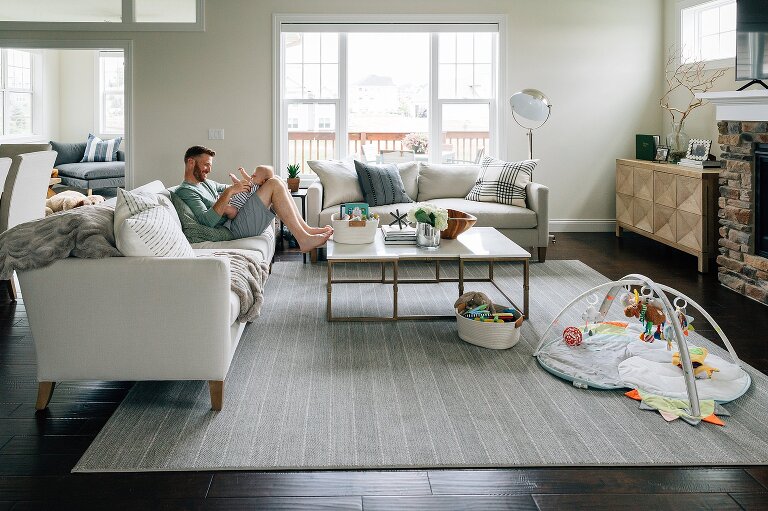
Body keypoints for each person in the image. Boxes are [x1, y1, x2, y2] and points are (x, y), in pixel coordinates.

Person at [175, 145, 331, 252]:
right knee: (274, 183)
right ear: (190, 162)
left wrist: (248, 183)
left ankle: (306, 230)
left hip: (236, 218)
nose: (209, 169)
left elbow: (232, 189)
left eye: (209, 165)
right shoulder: (186, 190)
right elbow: (206, 221)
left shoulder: (206, 183)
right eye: (206, 164)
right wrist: (229, 192)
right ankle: (303, 239)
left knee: (274, 178)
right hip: (232, 227)